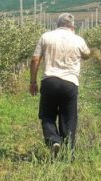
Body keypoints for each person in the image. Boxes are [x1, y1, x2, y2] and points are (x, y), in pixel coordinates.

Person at [29, 13, 91, 157]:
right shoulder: (78, 40)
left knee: (47, 115)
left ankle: (53, 140)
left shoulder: (46, 36)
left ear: (58, 24)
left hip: (50, 81)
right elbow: (87, 55)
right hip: (70, 83)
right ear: (72, 26)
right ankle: (69, 152)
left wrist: (33, 81)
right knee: (69, 118)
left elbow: (35, 59)